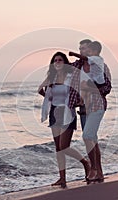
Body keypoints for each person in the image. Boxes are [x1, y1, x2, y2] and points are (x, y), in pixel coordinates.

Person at [38, 52, 90, 188]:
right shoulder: (52, 77)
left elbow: (81, 90)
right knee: (58, 149)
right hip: (55, 113)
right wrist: (49, 97)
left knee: (64, 146)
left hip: (68, 113)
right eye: (55, 60)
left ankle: (85, 162)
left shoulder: (71, 76)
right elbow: (40, 90)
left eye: (60, 60)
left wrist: (80, 101)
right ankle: (62, 179)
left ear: (65, 62)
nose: (58, 62)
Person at [69, 41, 112, 184]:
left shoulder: (101, 66)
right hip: (83, 107)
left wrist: (89, 89)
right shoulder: (77, 66)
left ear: (92, 50)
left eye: (84, 48)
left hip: (97, 104)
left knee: (87, 135)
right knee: (91, 139)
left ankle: (93, 169)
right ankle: (98, 171)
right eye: (79, 48)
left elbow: (107, 88)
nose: (81, 50)